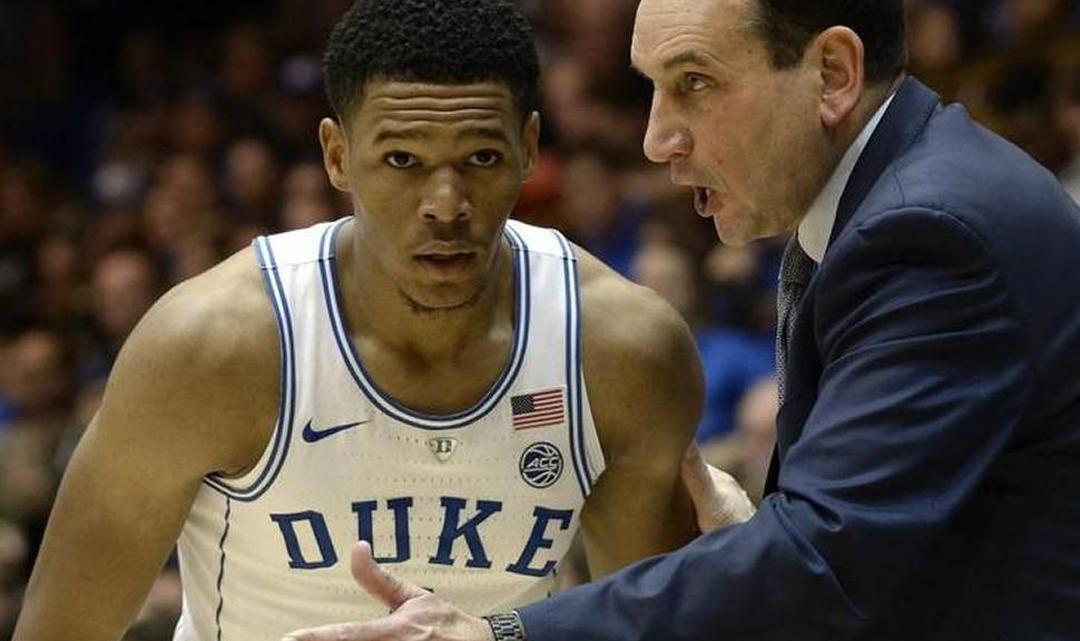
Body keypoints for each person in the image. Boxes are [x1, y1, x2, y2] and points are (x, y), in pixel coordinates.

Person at [283, 1, 1080, 640]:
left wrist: (502, 634)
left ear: (833, 73)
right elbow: (876, 543)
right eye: (652, 90)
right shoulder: (890, 198)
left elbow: (824, 564)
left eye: (693, 84)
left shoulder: (928, 232)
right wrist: (758, 541)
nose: (659, 139)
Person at [12, 1, 705, 640]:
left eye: (482, 158)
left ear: (529, 147)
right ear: (337, 154)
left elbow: (647, 628)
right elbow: (62, 628)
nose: (445, 202)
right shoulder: (212, 347)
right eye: (402, 159)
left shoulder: (619, 350)